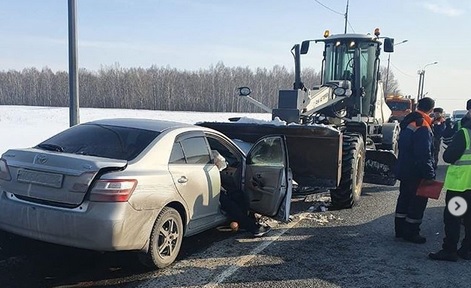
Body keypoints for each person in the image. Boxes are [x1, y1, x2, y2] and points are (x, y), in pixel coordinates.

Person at [429, 100, 471, 261]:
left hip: (460, 187)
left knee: (453, 218)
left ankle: (450, 250)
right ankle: (467, 250)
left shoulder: (465, 133)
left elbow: (448, 157)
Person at [394, 97, 436, 244]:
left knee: (404, 200)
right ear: (431, 110)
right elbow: (424, 153)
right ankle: (411, 233)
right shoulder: (423, 125)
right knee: (417, 203)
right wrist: (429, 173)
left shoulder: (409, 122)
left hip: (405, 169)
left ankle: (400, 230)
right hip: (417, 172)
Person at [212, 150, 271, 237]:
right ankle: (252, 227)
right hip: (215, 195)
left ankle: (246, 223)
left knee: (240, 197)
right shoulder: (214, 173)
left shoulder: (214, 170)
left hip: (217, 193)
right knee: (233, 206)